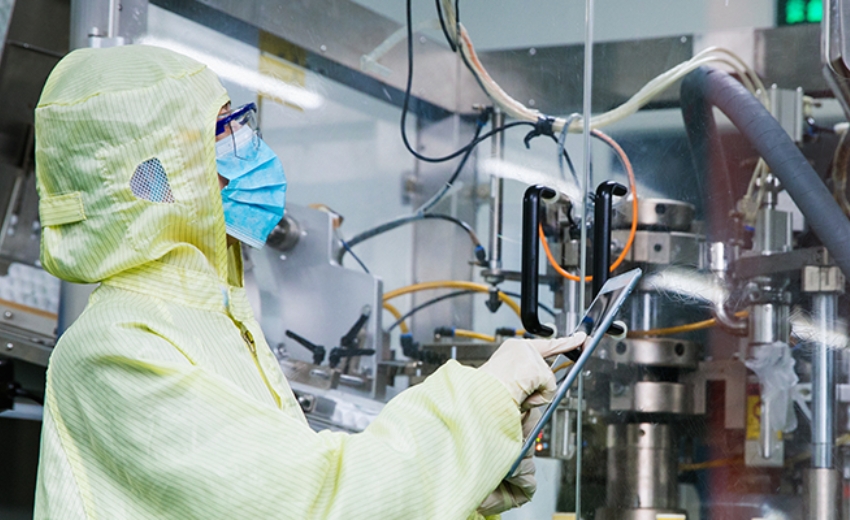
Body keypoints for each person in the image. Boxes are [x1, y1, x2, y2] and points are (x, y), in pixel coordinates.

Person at [33, 45, 586, 519]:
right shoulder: (115, 350)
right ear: (161, 176)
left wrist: (467, 478)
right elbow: (314, 502)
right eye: (224, 133)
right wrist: (480, 404)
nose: (249, 147)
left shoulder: (219, 322)